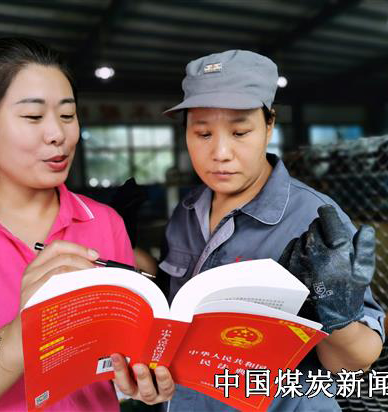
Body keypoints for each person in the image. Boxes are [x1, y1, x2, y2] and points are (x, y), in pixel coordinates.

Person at [0, 37, 174, 411]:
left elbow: (117, 362)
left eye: (67, 115)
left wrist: (142, 377)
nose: (58, 134)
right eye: (33, 117)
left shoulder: (105, 222)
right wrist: (23, 335)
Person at [158, 50, 385, 411]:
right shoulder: (186, 212)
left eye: (240, 132)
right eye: (203, 132)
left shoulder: (315, 220)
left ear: (269, 125)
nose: (220, 152)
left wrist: (338, 318)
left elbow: (357, 361)